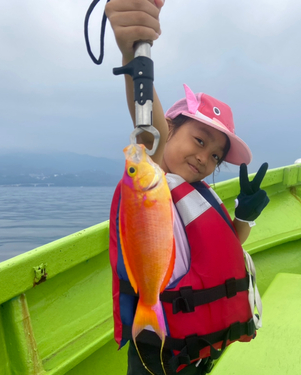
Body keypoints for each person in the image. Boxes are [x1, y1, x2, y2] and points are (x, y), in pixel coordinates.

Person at [106, 1, 269, 374]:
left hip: (198, 348)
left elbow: (226, 247)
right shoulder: (155, 174)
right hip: (159, 345)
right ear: (172, 128)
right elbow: (149, 125)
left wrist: (244, 216)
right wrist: (132, 50)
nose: (204, 158)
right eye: (199, 140)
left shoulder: (199, 196)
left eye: (215, 156)